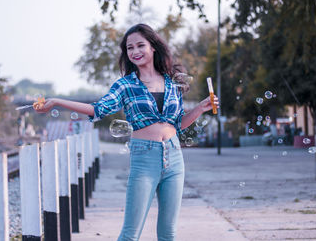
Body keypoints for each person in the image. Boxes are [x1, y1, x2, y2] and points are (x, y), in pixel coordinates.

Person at [34, 23, 219, 241]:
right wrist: (56, 102)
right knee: (130, 234)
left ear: (153, 47)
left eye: (140, 45)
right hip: (144, 158)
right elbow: (98, 109)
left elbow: (177, 124)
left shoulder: (172, 82)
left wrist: (200, 108)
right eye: (130, 48)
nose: (135, 52)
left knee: (168, 233)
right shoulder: (125, 85)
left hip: (175, 157)